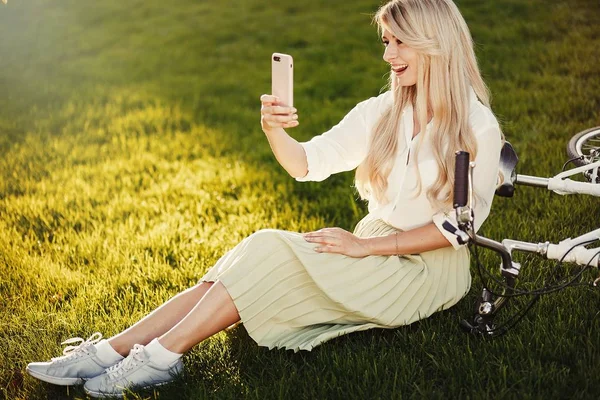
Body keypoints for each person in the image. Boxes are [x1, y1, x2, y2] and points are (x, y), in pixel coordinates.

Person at [26, 0, 502, 398]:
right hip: (373, 248)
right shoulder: (381, 112)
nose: (388, 55)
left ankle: (159, 356)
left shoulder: (475, 126)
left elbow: (459, 229)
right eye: (386, 42)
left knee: (269, 249)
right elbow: (306, 163)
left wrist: (363, 247)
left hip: (427, 271)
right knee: (248, 263)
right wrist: (273, 130)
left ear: (435, 43)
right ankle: (115, 350)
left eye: (399, 42)